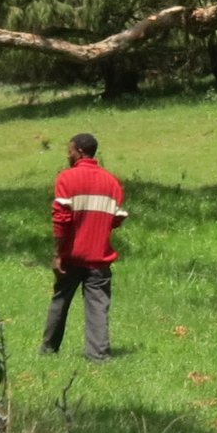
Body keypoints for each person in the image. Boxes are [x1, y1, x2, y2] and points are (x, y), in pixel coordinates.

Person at [43, 132, 125, 361]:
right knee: (98, 308)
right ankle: (98, 356)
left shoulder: (66, 178)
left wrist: (58, 253)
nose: (68, 155)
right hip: (99, 258)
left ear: (79, 151)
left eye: (69, 151)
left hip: (71, 256)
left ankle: (49, 350)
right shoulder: (112, 183)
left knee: (60, 301)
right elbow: (117, 218)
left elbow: (61, 219)